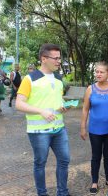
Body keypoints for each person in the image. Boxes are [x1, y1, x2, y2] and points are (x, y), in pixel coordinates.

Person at [16, 43, 70, 196]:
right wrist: (41, 111)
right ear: (44, 58)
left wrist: (63, 106)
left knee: (64, 161)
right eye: (56, 58)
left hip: (59, 128)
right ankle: (42, 193)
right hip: (39, 131)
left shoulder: (59, 78)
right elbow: (19, 104)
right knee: (40, 163)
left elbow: (55, 100)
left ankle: (63, 192)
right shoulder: (30, 79)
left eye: (60, 58)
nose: (59, 61)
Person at [80, 61, 108, 195]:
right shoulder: (90, 89)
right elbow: (85, 109)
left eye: (101, 72)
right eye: (97, 72)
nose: (98, 74)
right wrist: (83, 127)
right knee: (96, 155)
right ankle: (94, 181)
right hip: (95, 129)